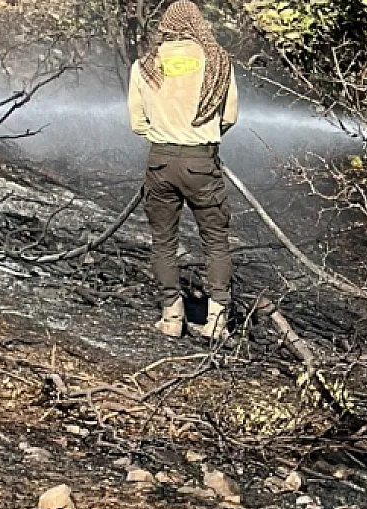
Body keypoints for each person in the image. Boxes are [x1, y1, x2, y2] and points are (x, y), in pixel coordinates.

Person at [127, 0, 239, 340]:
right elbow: (229, 117)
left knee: (163, 242)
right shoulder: (217, 61)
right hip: (202, 162)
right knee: (216, 242)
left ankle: (171, 317)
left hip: (160, 163)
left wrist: (165, 138)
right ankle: (216, 321)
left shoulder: (145, 65)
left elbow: (137, 124)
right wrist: (198, 139)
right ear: (197, 24)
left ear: (165, 26)